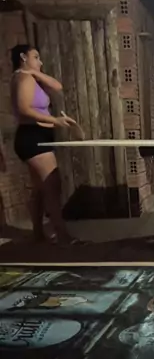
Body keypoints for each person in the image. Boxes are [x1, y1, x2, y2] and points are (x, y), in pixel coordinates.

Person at [10, 44, 78, 245]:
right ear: (23, 57)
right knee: (52, 185)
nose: (40, 62)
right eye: (36, 57)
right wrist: (54, 120)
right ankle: (63, 235)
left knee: (41, 188)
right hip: (32, 137)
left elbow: (57, 86)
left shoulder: (30, 76)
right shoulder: (23, 78)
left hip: (38, 136)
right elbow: (23, 108)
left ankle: (38, 233)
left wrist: (34, 71)